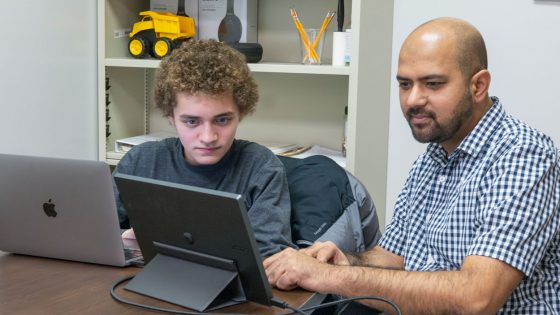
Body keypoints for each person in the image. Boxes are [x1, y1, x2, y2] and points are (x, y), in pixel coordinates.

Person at [264, 17, 559, 314]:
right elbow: (395, 255)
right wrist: (344, 259)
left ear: (478, 85)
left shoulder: (523, 155)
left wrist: (326, 276)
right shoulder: (432, 158)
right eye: (405, 84)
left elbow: (476, 299)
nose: (413, 100)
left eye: (432, 84)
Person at [113, 39, 295, 257]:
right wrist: (123, 241)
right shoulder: (141, 162)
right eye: (191, 122)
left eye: (222, 120)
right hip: (145, 280)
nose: (208, 137)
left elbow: (270, 258)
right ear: (170, 116)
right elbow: (98, 230)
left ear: (241, 113)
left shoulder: (261, 168)